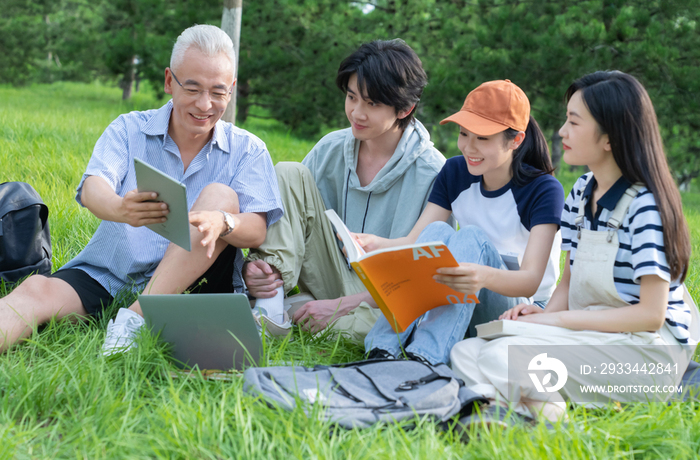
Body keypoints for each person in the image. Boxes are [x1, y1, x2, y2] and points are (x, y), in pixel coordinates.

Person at [0, 25, 283, 355]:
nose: (205, 104)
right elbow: (94, 188)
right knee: (36, 291)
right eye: (192, 88)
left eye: (218, 92)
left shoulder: (249, 149)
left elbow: (257, 229)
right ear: (168, 81)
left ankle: (135, 320)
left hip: (197, 286)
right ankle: (125, 317)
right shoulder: (129, 128)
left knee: (221, 197)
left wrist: (224, 222)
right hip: (112, 275)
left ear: (231, 90)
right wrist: (121, 209)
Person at [450, 71, 698, 422]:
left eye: (573, 122)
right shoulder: (581, 192)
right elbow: (570, 279)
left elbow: (650, 315)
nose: (562, 132)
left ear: (609, 138)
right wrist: (544, 316)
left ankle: (544, 419)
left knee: (499, 357)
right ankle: (518, 410)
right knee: (466, 351)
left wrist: (558, 323)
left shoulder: (645, 206)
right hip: (592, 334)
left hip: (646, 353)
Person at [243, 39, 447, 341]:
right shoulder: (330, 148)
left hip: (385, 300)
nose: (357, 112)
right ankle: (271, 306)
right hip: (331, 276)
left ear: (405, 109)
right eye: (352, 97)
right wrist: (258, 272)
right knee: (288, 172)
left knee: (389, 329)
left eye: (372, 104)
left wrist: (341, 306)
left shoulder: (434, 172)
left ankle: (302, 315)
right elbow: (288, 225)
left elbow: (424, 280)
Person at [359, 79, 565, 365]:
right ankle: (381, 349)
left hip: (521, 311)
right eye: (464, 134)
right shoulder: (456, 171)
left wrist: (481, 275)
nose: (469, 147)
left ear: (515, 140)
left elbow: (530, 282)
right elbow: (415, 240)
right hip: (464, 301)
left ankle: (426, 358)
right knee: (437, 231)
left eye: (482, 138)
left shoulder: (544, 190)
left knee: (470, 237)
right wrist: (373, 245)